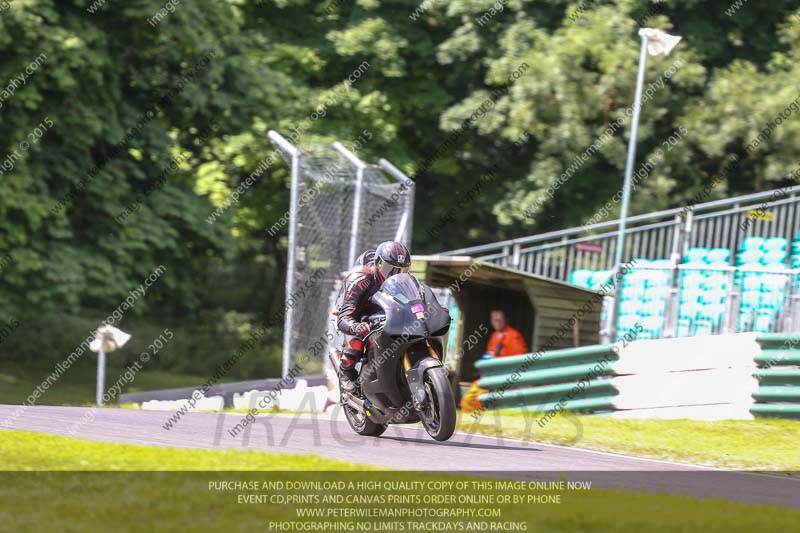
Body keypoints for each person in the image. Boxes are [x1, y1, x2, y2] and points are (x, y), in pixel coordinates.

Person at [336, 240, 411, 392]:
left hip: (378, 311)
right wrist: (355, 326)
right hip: (349, 312)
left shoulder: (403, 282)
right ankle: (346, 371)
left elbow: (409, 302)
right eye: (389, 269)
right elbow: (343, 317)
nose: (393, 275)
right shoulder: (359, 278)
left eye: (400, 271)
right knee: (357, 341)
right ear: (378, 264)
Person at [460, 309, 528, 413]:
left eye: (500, 320)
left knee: (476, 396)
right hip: (492, 377)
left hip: (506, 377)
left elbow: (520, 361)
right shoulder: (494, 337)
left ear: (506, 320)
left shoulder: (514, 336)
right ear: (491, 321)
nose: (497, 323)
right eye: (494, 320)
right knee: (470, 396)